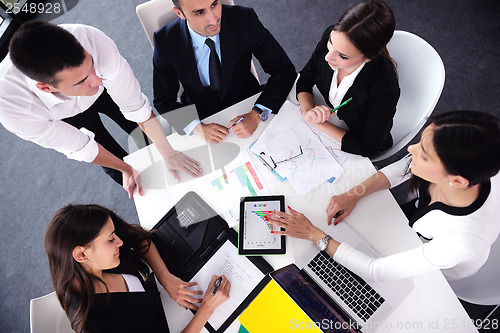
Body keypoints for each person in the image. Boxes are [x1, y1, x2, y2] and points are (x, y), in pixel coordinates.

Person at [269, 110, 500, 282]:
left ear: (457, 181)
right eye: (420, 141)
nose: (411, 149)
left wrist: (313, 234)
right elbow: (404, 168)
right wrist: (353, 194)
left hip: (437, 262)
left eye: (425, 155)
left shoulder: (460, 242)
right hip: (420, 219)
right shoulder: (463, 166)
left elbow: (375, 270)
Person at [0, 21, 203, 199]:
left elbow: (136, 107)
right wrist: (126, 169)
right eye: (82, 80)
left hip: (104, 91)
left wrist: (168, 153)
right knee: (120, 165)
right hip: (60, 117)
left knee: (145, 133)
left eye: (91, 66)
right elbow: (82, 147)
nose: (97, 80)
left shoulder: (93, 41)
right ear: (46, 88)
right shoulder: (13, 108)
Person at [44, 204, 230, 333]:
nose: (120, 241)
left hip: (165, 301)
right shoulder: (96, 325)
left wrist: (165, 278)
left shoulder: (91, 262)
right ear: (81, 255)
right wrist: (207, 308)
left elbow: (137, 237)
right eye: (111, 239)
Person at [153, 0, 296, 143]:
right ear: (180, 13)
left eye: (214, 4)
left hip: (248, 101)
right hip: (201, 115)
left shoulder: (244, 19)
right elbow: (163, 101)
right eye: (200, 12)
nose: (213, 19)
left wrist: (257, 114)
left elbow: (284, 70)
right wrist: (197, 127)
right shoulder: (165, 41)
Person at [296, 0, 399, 158]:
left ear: (368, 58)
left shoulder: (384, 85)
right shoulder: (331, 39)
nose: (327, 57)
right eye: (331, 42)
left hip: (354, 138)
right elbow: (304, 80)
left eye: (343, 56)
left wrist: (318, 123)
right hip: (331, 121)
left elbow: (370, 147)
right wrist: (308, 111)